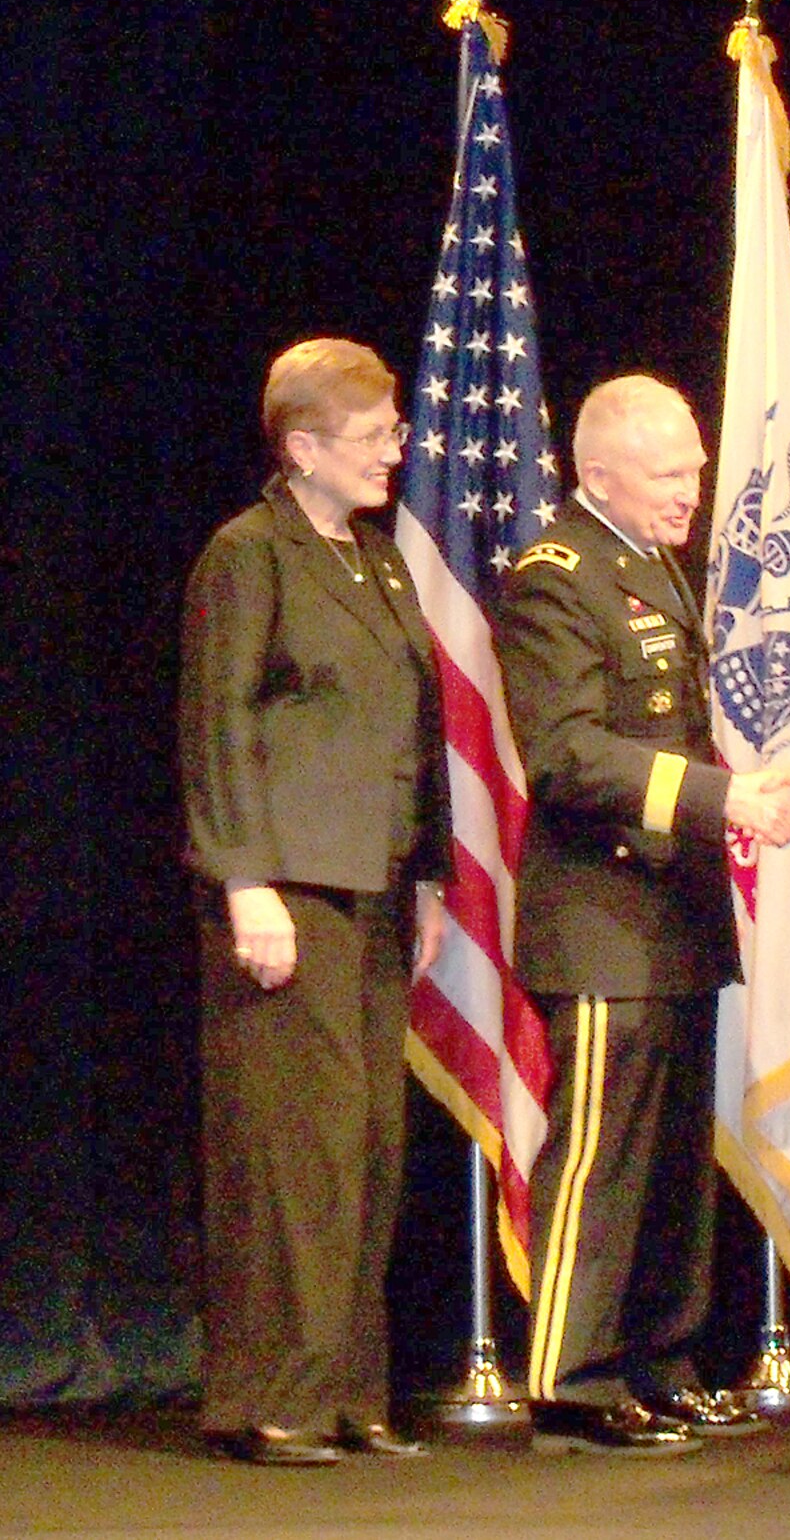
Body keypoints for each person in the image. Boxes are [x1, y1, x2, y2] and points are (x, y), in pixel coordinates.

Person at [492, 375, 790, 1455]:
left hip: (670, 909)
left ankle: (660, 1357)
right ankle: (570, 1375)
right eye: (669, 471)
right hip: (598, 913)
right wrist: (725, 796)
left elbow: (669, 726)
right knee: (602, 1153)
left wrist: (756, 794)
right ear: (600, 472)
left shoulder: (648, 561)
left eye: (694, 466)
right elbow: (566, 752)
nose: (692, 489)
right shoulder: (555, 574)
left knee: (675, 1155)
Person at [179, 337, 448, 1465]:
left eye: (392, 430)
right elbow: (220, 727)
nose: (394, 450)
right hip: (286, 884)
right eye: (373, 435)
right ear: (301, 448)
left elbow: (414, 722)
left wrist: (427, 866)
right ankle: (268, 1397)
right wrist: (246, 881)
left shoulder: (375, 559)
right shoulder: (249, 555)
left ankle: (348, 1389)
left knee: (370, 1142)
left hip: (374, 880)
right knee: (295, 1151)